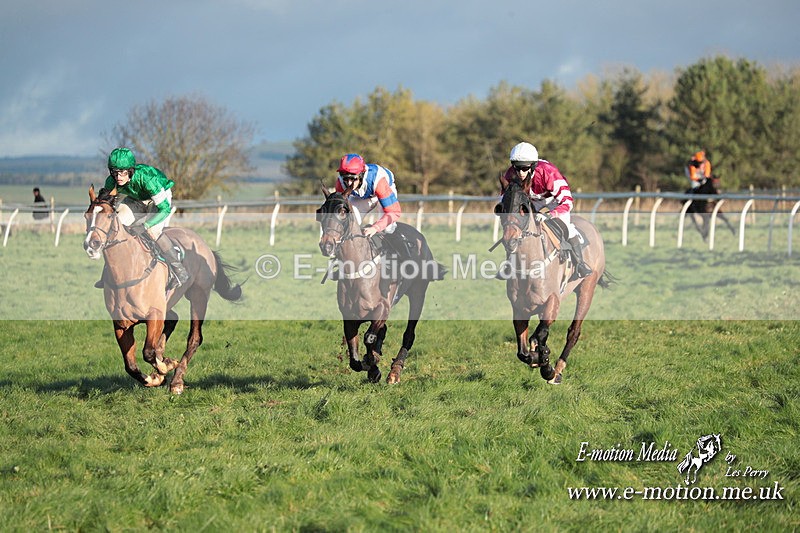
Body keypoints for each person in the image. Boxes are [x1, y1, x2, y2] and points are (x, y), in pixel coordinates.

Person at [94, 147, 189, 288]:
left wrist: (145, 225)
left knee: (152, 231)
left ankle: (179, 271)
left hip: (159, 200)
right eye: (114, 173)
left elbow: (164, 209)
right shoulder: (111, 181)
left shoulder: (148, 179)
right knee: (115, 225)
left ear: (130, 171)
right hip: (137, 199)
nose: (118, 177)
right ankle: (108, 271)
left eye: (122, 173)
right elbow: (108, 207)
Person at [500, 141, 592, 279]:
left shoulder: (549, 173)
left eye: (524, 169)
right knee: (516, 228)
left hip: (554, 201)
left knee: (567, 227)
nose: (520, 173)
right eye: (517, 168)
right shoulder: (511, 174)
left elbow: (567, 202)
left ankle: (580, 264)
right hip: (532, 201)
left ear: (533, 165)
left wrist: (549, 214)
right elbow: (504, 197)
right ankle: (509, 264)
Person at [334, 152, 403, 240]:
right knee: (350, 222)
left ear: (361, 175)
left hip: (382, 190)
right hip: (361, 196)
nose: (349, 183)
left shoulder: (378, 181)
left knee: (387, 228)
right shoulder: (340, 183)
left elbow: (394, 212)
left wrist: (375, 228)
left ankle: (393, 249)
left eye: (353, 178)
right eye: (346, 178)